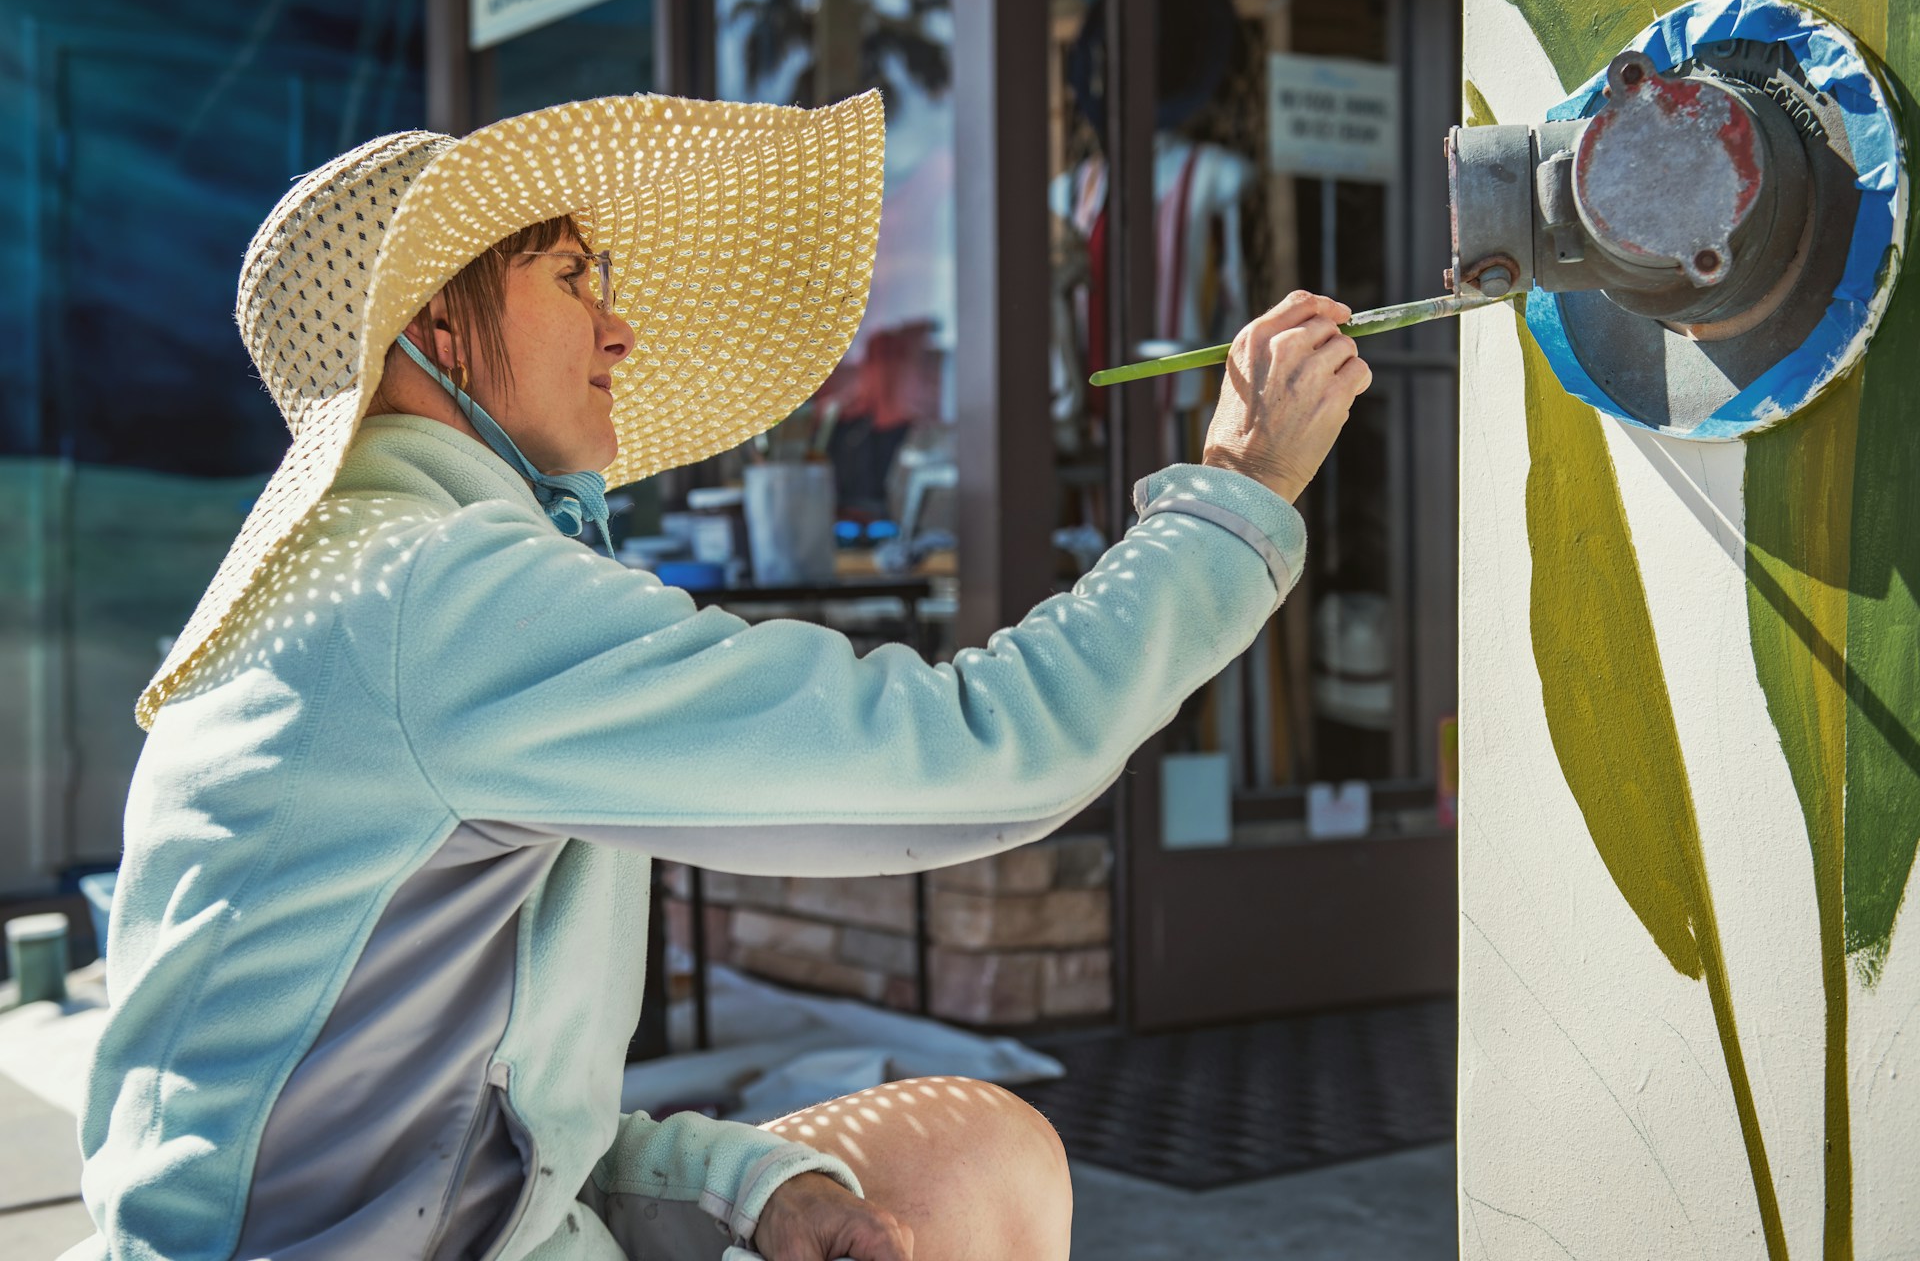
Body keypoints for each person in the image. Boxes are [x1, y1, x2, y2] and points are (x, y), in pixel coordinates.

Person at [66, 90, 1366, 1261]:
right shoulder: (439, 592)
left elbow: (466, 1115)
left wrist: (751, 1186)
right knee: (988, 1175)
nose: (619, 328)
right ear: (436, 336)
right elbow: (988, 755)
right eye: (574, 276)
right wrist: (1235, 498)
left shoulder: (362, 575)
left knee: (976, 1151)